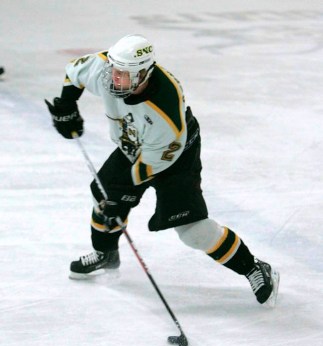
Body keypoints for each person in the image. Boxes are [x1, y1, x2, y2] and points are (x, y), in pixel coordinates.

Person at [45, 34, 279, 307]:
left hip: (174, 157)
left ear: (144, 73)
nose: (114, 79)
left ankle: (253, 267)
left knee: (193, 231)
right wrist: (67, 105)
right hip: (133, 146)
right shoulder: (107, 69)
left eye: (123, 75)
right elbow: (75, 72)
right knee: (103, 198)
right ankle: (106, 253)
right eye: (114, 71)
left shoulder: (164, 109)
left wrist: (121, 193)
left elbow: (152, 163)